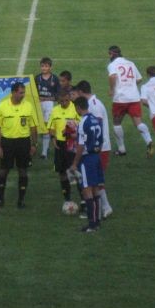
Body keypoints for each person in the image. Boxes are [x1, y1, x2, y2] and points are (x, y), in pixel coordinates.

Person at [0, 82, 38, 208]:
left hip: (24, 142)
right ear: (13, 93)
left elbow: (33, 127)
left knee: (23, 171)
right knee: (4, 171)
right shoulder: (2, 106)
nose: (23, 95)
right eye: (20, 92)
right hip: (7, 142)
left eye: (23, 92)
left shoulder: (28, 106)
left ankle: (21, 200)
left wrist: (34, 144)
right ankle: (1, 199)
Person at [74, 80, 113, 218]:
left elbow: (95, 128)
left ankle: (103, 208)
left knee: (93, 181)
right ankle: (103, 208)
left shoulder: (94, 106)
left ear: (81, 92)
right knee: (94, 180)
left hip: (98, 148)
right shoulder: (95, 103)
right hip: (99, 147)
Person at [107, 45, 153, 157]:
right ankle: (149, 141)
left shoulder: (112, 65)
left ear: (112, 54)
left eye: (109, 54)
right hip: (134, 97)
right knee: (138, 122)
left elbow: (112, 77)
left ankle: (122, 149)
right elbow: (139, 78)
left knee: (117, 123)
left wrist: (112, 89)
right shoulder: (130, 63)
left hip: (120, 98)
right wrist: (131, 85)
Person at [67, 97, 104, 233]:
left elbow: (81, 145)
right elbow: (101, 140)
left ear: (77, 108)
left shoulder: (83, 122)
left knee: (87, 190)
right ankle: (97, 221)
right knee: (95, 189)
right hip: (96, 156)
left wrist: (75, 164)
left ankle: (92, 224)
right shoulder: (96, 120)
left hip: (87, 159)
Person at [47, 90, 79, 205]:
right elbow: (51, 126)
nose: (64, 103)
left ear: (69, 98)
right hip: (60, 145)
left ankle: (84, 199)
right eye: (61, 101)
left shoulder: (75, 109)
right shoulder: (55, 111)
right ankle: (67, 198)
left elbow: (80, 125)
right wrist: (53, 138)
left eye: (66, 100)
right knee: (62, 172)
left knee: (76, 171)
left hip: (72, 143)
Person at [35, 57, 60, 159]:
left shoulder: (55, 79)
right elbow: (34, 92)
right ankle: (44, 145)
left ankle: (44, 152)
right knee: (39, 126)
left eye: (46, 66)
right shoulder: (37, 78)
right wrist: (38, 98)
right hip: (39, 104)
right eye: (42, 66)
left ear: (50, 67)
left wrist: (47, 98)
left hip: (49, 104)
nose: (44, 68)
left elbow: (58, 95)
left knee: (46, 127)